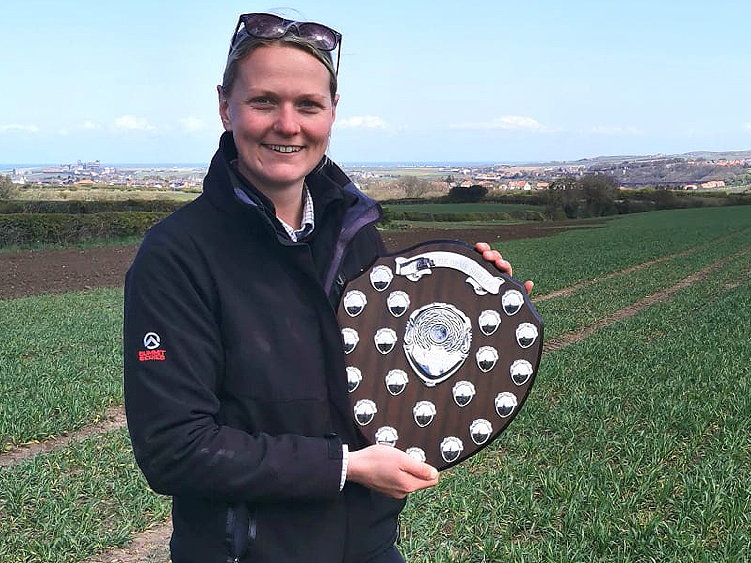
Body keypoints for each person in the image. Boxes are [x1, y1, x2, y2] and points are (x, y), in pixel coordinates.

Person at [123, 12, 529, 562]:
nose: (288, 125)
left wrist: (476, 295)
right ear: (225, 106)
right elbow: (175, 449)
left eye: (308, 105)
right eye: (264, 101)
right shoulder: (178, 257)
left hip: (368, 546)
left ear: (332, 112)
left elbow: (397, 368)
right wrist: (347, 467)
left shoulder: (355, 234)